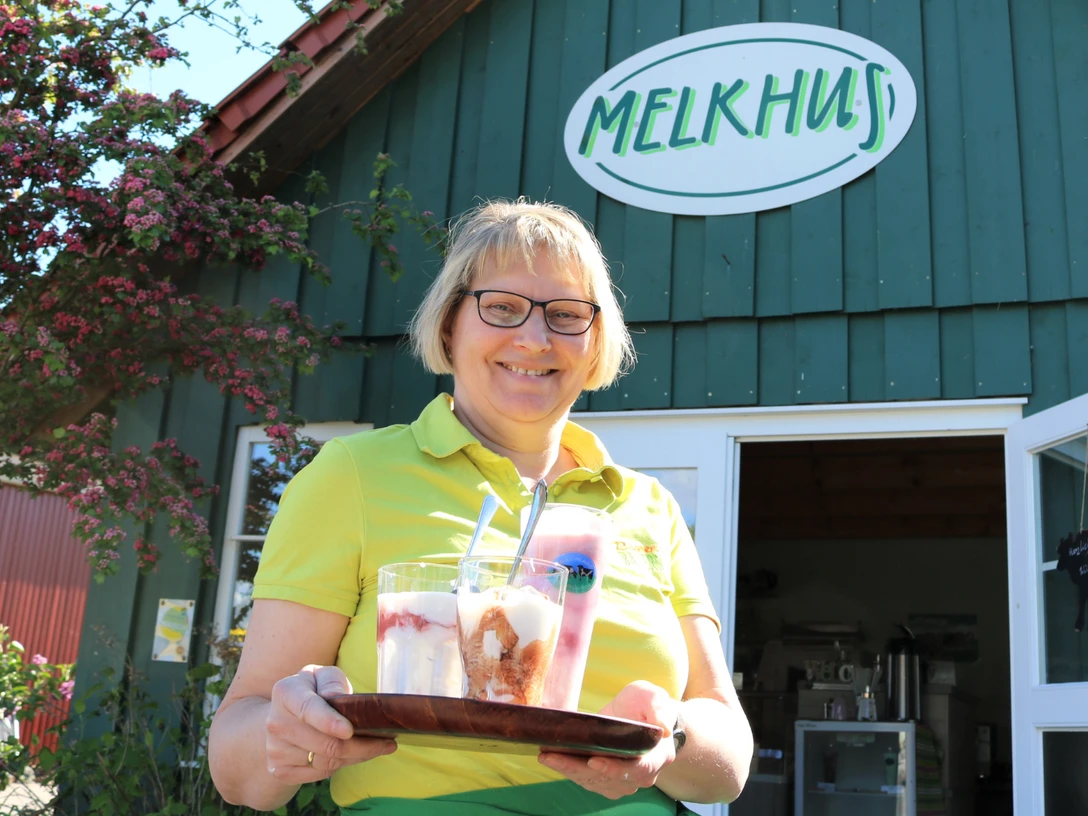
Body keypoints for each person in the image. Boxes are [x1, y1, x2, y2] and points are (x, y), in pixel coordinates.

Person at [208, 200, 753, 815]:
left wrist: (670, 738)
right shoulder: (352, 478)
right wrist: (289, 735)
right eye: (500, 307)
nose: (535, 337)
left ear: (595, 342)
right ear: (448, 324)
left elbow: (727, 759)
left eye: (568, 315)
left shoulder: (649, 507)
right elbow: (237, 763)